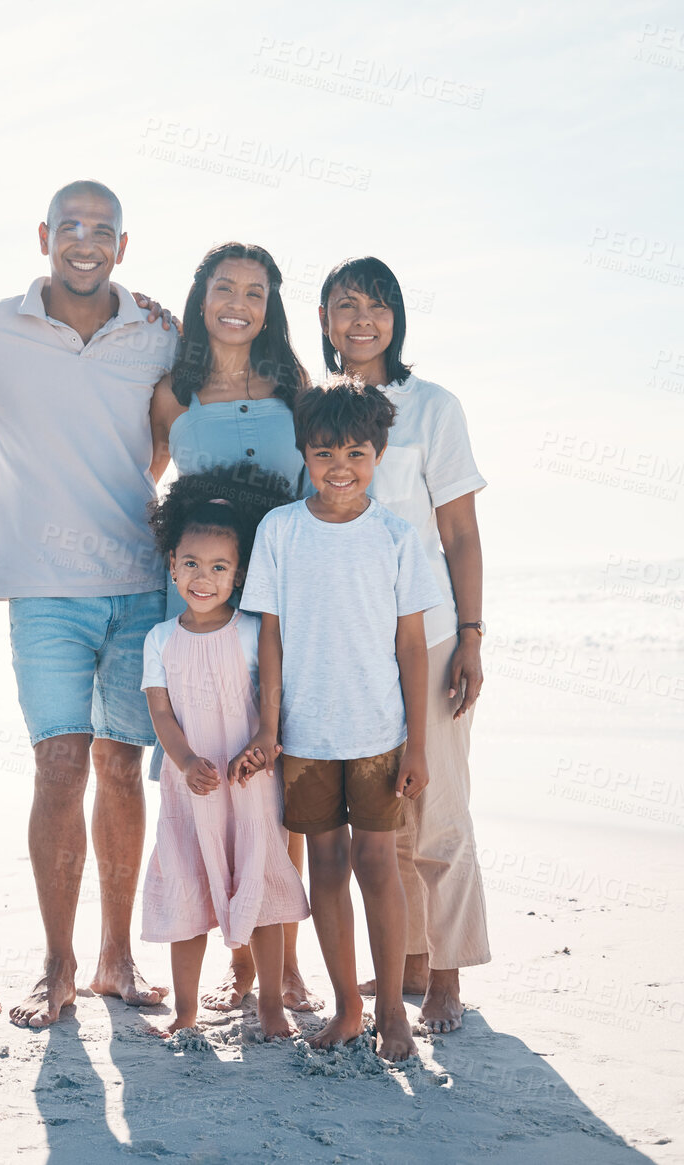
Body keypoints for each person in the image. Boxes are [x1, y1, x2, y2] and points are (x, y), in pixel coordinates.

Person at [0, 180, 178, 1028]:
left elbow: (170, 434)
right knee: (59, 766)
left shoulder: (155, 333)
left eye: (104, 231)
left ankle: (115, 958)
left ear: (124, 246)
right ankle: (55, 965)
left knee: (122, 768)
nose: (86, 243)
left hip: (138, 581)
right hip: (44, 588)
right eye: (72, 228)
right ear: (44, 236)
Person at [234, 380, 440, 1062]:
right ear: (305, 453)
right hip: (308, 733)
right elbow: (270, 636)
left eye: (357, 450)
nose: (340, 465)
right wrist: (268, 725)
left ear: (379, 454)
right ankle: (348, 1003)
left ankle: (391, 1012)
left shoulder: (396, 536)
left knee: (377, 861)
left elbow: (411, 645)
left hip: (380, 734)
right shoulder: (281, 531)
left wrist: (419, 741)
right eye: (325, 451)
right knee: (324, 861)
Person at [147, 242, 320, 1017]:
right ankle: (241, 966)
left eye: (255, 290)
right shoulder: (172, 393)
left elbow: (324, 486)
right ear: (201, 296)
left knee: (273, 787)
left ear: (270, 303)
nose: (239, 302)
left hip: (280, 605)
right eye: (224, 287)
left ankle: (284, 968)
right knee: (213, 785)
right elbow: (143, 485)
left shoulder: (294, 385)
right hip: (200, 607)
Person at [318, 256, 490, 1036]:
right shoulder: (315, 411)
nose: (362, 319)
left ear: (396, 318)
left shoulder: (433, 408)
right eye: (346, 305)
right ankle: (411, 961)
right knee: (382, 817)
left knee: (440, 805)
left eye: (377, 305)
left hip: (433, 636)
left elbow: (458, 531)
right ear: (322, 320)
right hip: (353, 647)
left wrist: (474, 636)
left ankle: (448, 976)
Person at [138, 465, 309, 1040]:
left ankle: (269, 1007)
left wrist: (263, 746)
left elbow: (271, 699)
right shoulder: (160, 639)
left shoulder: (251, 629)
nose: (202, 577)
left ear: (238, 576)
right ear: (172, 566)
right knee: (186, 889)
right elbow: (161, 712)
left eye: (218, 567)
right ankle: (185, 1014)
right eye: (190, 564)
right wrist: (185, 763)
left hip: (248, 785)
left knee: (258, 894)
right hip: (190, 790)